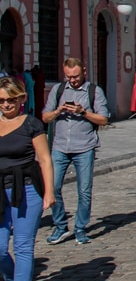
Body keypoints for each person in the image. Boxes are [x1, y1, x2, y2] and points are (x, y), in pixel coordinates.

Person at [41, 58, 109, 245]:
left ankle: (80, 228)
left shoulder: (94, 91)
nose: (73, 80)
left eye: (76, 76)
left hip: (84, 147)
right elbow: (45, 117)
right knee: (53, 187)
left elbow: (103, 119)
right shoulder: (58, 90)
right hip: (60, 146)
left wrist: (83, 112)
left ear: (84, 71)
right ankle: (61, 226)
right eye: (69, 76)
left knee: (84, 190)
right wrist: (58, 111)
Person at [0, 76, 53, 281]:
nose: (6, 104)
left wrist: (49, 193)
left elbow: (45, 160)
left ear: (21, 99)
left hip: (27, 190)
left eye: (11, 100)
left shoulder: (31, 124)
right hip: (0, 192)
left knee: (22, 246)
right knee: (1, 249)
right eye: (2, 100)